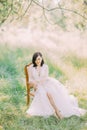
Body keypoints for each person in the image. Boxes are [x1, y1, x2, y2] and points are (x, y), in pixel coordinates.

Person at [26, 52, 86, 119]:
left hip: (46, 83)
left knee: (50, 94)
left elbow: (45, 78)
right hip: (38, 86)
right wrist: (34, 83)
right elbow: (30, 80)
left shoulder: (45, 66)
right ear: (34, 60)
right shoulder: (31, 68)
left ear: (42, 58)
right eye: (36, 60)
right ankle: (57, 111)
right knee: (48, 94)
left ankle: (57, 111)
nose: (37, 61)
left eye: (39, 59)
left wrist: (38, 81)